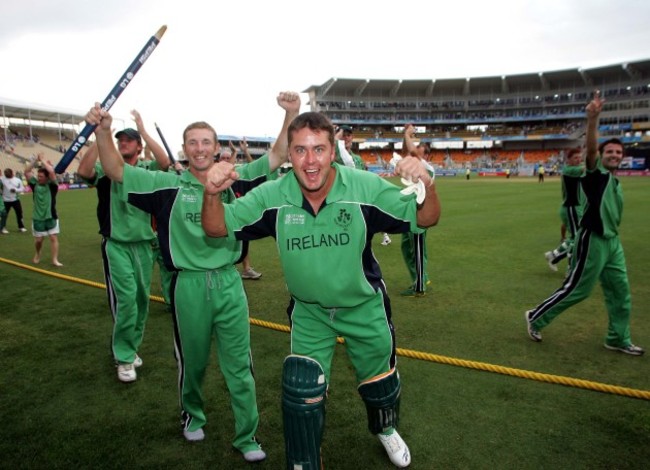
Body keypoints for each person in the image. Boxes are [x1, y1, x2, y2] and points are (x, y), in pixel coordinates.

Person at [201, 111, 441, 469]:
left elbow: (426, 218)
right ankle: (305, 462)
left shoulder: (363, 187)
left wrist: (427, 186)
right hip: (310, 312)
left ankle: (385, 429)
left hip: (363, 306)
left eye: (318, 150)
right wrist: (210, 193)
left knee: (380, 385)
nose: (310, 161)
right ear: (290, 154)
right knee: (301, 389)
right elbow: (217, 228)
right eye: (300, 150)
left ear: (332, 152)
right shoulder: (273, 196)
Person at [85, 91, 300, 462]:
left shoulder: (234, 177)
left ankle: (247, 436)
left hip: (229, 283)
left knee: (239, 365)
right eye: (193, 142)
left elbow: (278, 156)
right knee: (193, 361)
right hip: (187, 284)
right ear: (184, 148)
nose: (200, 148)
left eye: (206, 142)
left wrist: (292, 114)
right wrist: (104, 132)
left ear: (216, 148)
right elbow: (116, 171)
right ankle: (193, 414)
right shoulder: (167, 184)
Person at [526, 91, 644, 356]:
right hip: (593, 239)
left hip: (613, 243)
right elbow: (590, 151)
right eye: (610, 152)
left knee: (620, 293)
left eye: (618, 152)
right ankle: (535, 316)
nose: (614, 155)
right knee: (578, 289)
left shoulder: (614, 180)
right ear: (602, 156)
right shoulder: (596, 175)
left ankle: (617, 337)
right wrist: (593, 120)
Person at [77, 113, 168, 384]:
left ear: (139, 147)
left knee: (141, 302)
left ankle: (131, 347)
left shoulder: (146, 171)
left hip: (144, 246)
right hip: (116, 245)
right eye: (121, 140)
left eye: (130, 140)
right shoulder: (108, 172)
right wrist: (100, 135)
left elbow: (165, 162)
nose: (124, 143)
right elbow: (83, 172)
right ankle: (124, 356)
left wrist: (143, 129)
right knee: (127, 300)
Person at [335, 125, 392, 246]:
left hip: (360, 196)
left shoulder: (358, 158)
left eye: (348, 135)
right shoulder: (335, 156)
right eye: (343, 135)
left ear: (352, 137)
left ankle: (384, 234)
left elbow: (363, 176)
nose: (346, 138)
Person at [399, 124, 433, 297]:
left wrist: (408, 133)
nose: (416, 148)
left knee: (418, 249)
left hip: (420, 213)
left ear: (426, 154)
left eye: (420, 147)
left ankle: (420, 286)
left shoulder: (426, 166)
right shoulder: (415, 162)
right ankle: (420, 278)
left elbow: (410, 151)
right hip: (409, 212)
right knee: (407, 246)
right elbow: (407, 151)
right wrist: (406, 136)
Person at [544, 148, 584, 272]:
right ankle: (569, 268)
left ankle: (553, 255)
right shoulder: (569, 170)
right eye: (575, 158)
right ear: (568, 160)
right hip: (571, 207)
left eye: (579, 157)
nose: (578, 160)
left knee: (575, 237)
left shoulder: (574, 169)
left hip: (575, 207)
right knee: (577, 238)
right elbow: (586, 169)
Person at [24, 154, 63, 266]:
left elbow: (51, 172)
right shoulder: (34, 185)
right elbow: (27, 172)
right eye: (38, 176)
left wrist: (43, 160)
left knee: (53, 238)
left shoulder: (52, 186)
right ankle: (38, 253)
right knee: (39, 240)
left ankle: (55, 260)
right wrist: (35, 160)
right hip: (38, 217)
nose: (38, 178)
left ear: (47, 178)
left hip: (51, 216)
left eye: (41, 176)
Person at [1, 167, 27, 233]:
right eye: (6, 175)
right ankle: (2, 227)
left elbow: (22, 189)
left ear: (12, 173)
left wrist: (15, 190)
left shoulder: (17, 180)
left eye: (9, 175)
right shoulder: (2, 179)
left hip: (15, 200)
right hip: (5, 200)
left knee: (19, 213)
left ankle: (21, 227)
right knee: (4, 215)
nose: (8, 176)